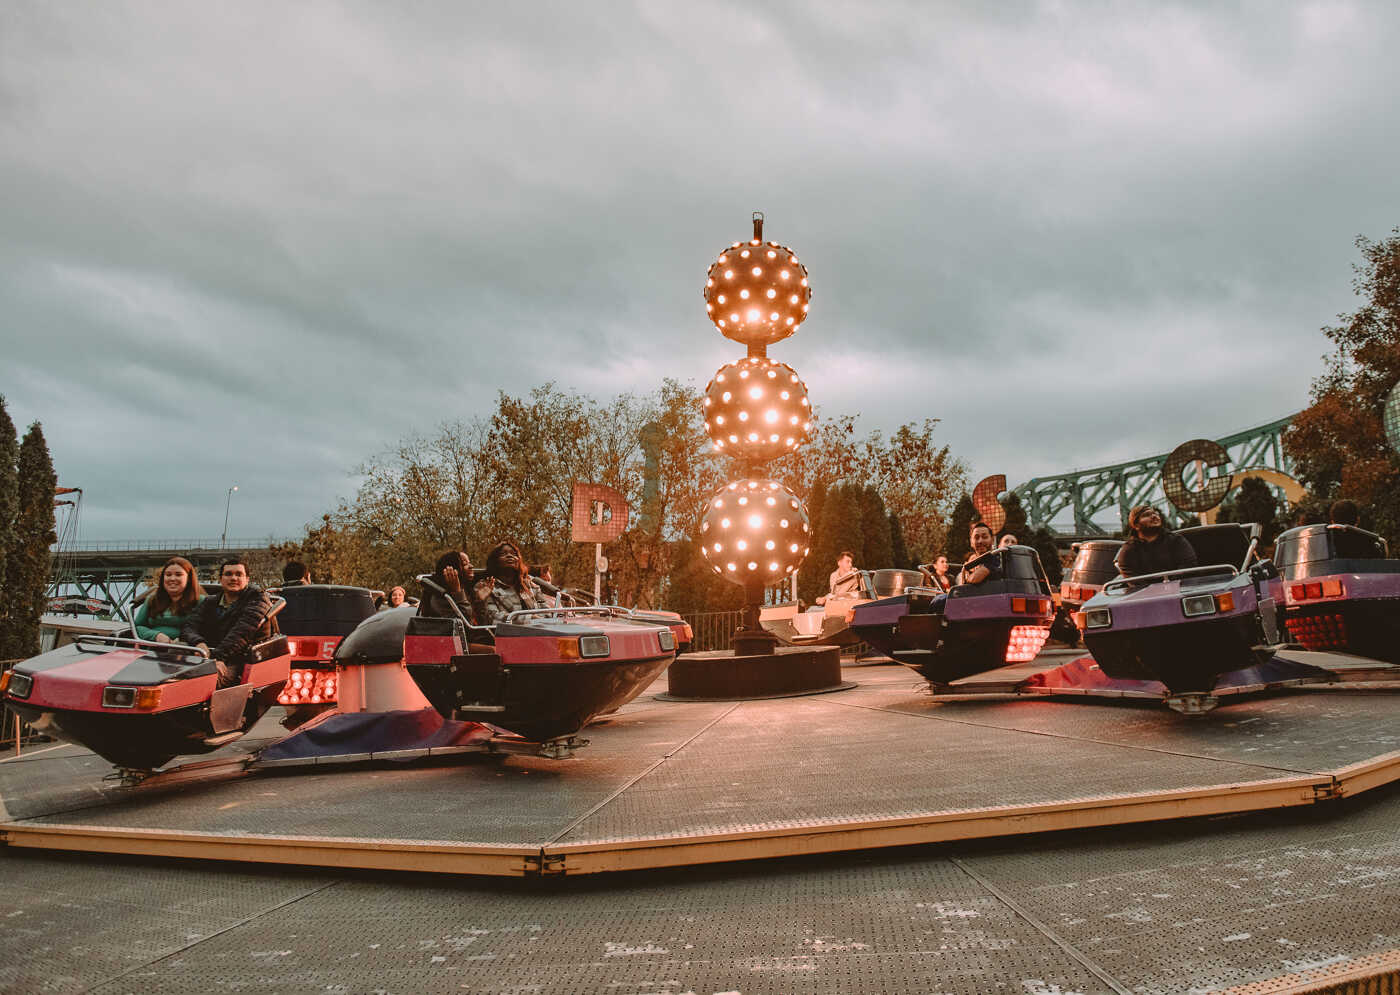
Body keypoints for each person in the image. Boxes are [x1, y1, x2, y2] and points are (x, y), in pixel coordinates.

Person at [180, 557, 275, 689]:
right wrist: (198, 642)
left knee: (204, 682)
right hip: (210, 657)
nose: (233, 578)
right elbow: (188, 626)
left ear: (247, 579)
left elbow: (241, 634)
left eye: (239, 574)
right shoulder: (210, 602)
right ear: (221, 579)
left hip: (241, 661)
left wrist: (216, 659)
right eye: (228, 574)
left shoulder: (258, 601)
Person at [133, 556, 204, 642]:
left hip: (189, 649)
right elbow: (137, 627)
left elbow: (208, 630)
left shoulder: (201, 601)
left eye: (178, 575)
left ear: (189, 578)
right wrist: (156, 635)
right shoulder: (152, 600)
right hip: (152, 647)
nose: (172, 579)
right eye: (168, 575)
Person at [1114, 505, 1198, 578]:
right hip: (1148, 594)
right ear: (1136, 525)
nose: (1154, 516)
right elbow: (1133, 580)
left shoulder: (1176, 540)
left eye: (1155, 513)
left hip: (1179, 587)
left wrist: (1169, 585)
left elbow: (1189, 564)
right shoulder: (1129, 549)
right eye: (1146, 515)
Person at [471, 540, 540, 625]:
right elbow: (492, 618)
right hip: (506, 635)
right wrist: (530, 619)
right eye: (503, 554)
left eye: (514, 554)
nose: (509, 556)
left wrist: (542, 620)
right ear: (495, 561)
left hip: (542, 632)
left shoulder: (529, 584)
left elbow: (548, 613)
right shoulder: (485, 585)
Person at [419, 551, 474, 619]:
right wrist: (457, 592)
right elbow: (465, 622)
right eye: (465, 564)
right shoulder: (440, 597)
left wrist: (480, 601)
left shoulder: (466, 590)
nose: (471, 566)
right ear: (452, 572)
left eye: (469, 563)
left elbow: (481, 624)